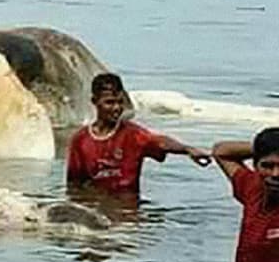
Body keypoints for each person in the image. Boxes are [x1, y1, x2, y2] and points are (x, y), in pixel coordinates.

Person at [66, 73, 211, 195]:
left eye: (120, 102)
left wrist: (187, 149)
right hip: (96, 208)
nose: (116, 108)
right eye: (109, 103)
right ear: (95, 102)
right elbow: (74, 185)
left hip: (128, 213)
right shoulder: (80, 140)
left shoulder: (133, 135)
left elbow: (160, 142)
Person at [212, 127, 279, 262]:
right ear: (256, 165)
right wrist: (264, 146)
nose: (275, 174)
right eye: (267, 166)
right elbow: (221, 152)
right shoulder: (252, 189)